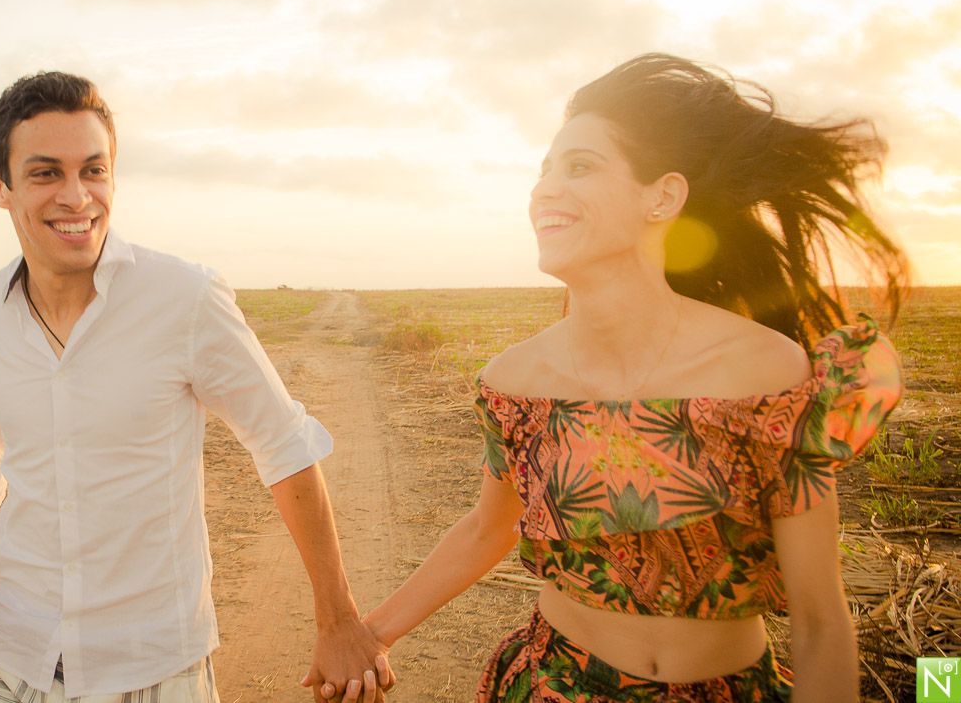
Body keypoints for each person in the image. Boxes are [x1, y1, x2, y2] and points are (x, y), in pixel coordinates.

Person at [344, 54, 907, 702]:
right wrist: (368, 635)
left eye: (579, 166)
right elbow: (484, 530)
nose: (544, 190)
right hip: (555, 686)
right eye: (544, 171)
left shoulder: (766, 375)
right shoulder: (515, 384)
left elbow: (819, 622)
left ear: (662, 196)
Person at [0, 71, 392, 703]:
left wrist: (337, 618)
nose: (77, 197)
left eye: (93, 170)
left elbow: (283, 445)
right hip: (11, 660)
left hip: (152, 670)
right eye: (46, 173)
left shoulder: (185, 298)